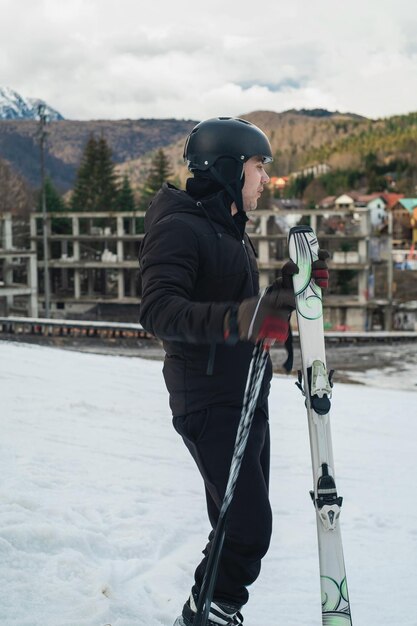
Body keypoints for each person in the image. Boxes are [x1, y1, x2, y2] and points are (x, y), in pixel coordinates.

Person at [138, 117, 329, 626]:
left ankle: (206, 612)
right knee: (245, 527)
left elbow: (248, 319)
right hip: (208, 399)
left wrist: (290, 289)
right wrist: (239, 319)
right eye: (257, 166)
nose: (265, 179)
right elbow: (159, 311)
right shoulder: (180, 227)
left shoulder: (227, 231)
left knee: (234, 524)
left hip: (244, 395)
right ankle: (208, 615)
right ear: (227, 168)